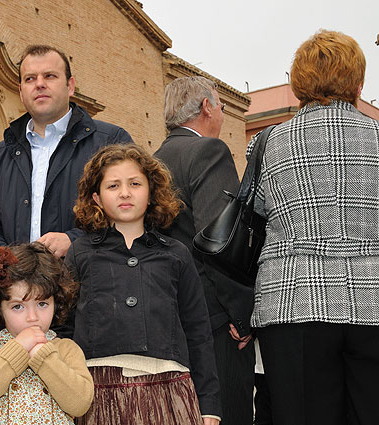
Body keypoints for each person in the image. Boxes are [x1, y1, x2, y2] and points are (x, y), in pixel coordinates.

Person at [248, 30, 379, 425]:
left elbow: (256, 212)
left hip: (292, 302)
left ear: (297, 84)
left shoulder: (268, 141)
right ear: (358, 83)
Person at [67, 144, 221, 425]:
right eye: (113, 185)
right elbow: (63, 327)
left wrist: (209, 405)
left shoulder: (176, 254)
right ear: (97, 198)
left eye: (135, 184)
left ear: (151, 193)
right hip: (97, 395)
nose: (125, 193)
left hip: (170, 391)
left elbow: (199, 331)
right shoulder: (80, 253)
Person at [0, 44, 133, 266]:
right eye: (30, 79)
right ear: (20, 91)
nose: (39, 84)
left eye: (50, 76)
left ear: (70, 86)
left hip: (89, 288)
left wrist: (75, 242)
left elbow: (132, 213)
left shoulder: (110, 141)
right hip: (19, 293)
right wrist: (7, 263)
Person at [154, 75, 255, 425]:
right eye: (222, 107)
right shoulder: (209, 151)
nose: (223, 115)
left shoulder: (153, 159)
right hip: (215, 322)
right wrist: (241, 313)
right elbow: (220, 242)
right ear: (206, 107)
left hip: (170, 316)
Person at [0, 243, 94, 424]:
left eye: (42, 304)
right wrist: (17, 350)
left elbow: (80, 404)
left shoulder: (66, 349)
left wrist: (44, 357)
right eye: (18, 307)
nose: (33, 317)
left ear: (56, 302)